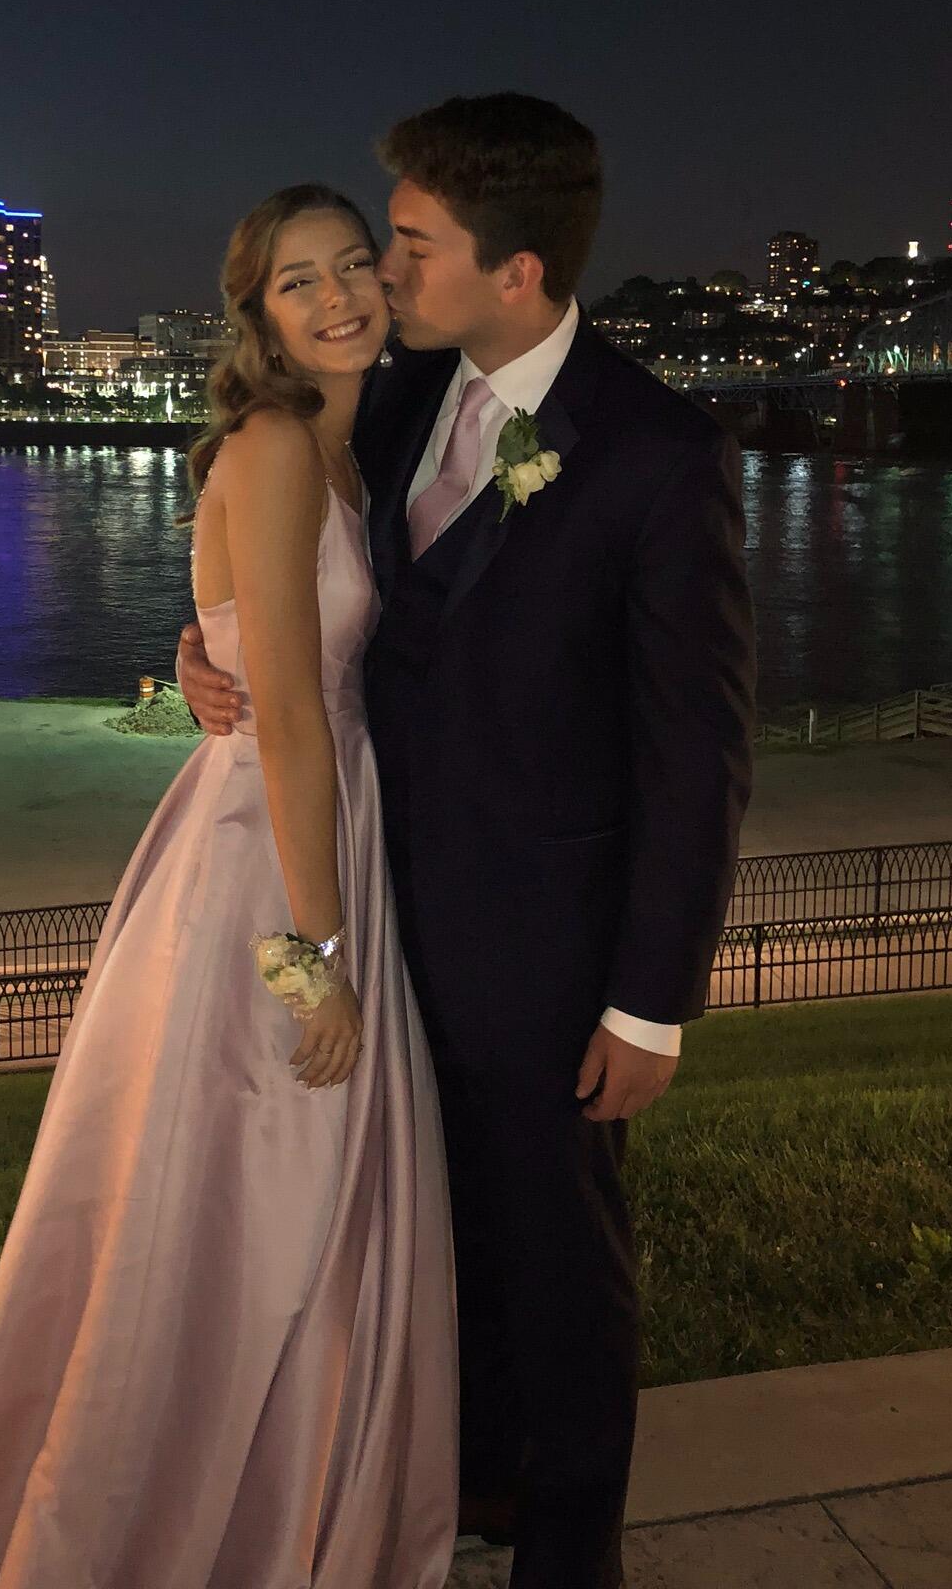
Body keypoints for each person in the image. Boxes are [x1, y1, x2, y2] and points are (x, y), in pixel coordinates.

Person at [180, 94, 756, 1588]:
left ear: (517, 270)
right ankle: (471, 1486)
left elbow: (696, 750)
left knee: (562, 1266)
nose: (383, 276)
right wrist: (203, 649)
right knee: (436, 1241)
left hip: (549, 956)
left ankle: (569, 1554)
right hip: (380, 909)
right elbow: (297, 591)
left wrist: (651, 1000)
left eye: (411, 246)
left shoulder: (657, 452)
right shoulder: (386, 400)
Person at [0, 186, 458, 1589]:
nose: (336, 299)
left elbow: (276, 646)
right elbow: (290, 717)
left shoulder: (348, 447)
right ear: (257, 313)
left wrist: (208, 647)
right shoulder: (276, 445)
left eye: (350, 268)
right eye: (296, 283)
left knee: (284, 1191)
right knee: (262, 1179)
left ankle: (288, 1501)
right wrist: (317, 955)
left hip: (316, 829)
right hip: (270, 862)